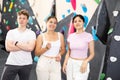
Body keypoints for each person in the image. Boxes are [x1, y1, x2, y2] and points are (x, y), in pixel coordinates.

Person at [0, 9, 36, 80]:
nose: (21, 20)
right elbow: (8, 48)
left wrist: (16, 43)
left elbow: (30, 48)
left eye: (24, 18)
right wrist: (25, 45)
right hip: (12, 62)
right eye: (20, 18)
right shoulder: (11, 32)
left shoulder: (31, 33)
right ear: (17, 19)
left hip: (26, 64)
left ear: (27, 20)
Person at [62, 14, 95, 80]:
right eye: (75, 21)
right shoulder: (71, 36)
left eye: (79, 21)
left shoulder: (89, 36)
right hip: (70, 63)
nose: (77, 23)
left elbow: (92, 53)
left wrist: (86, 61)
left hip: (82, 64)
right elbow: (69, 51)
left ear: (83, 23)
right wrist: (65, 63)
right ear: (73, 24)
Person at [35, 16, 65, 80]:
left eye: (55, 23)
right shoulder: (41, 36)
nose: (52, 24)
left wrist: (59, 54)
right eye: (50, 22)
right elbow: (36, 53)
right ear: (46, 23)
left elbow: (63, 50)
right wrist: (46, 48)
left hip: (55, 63)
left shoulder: (60, 35)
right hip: (43, 63)